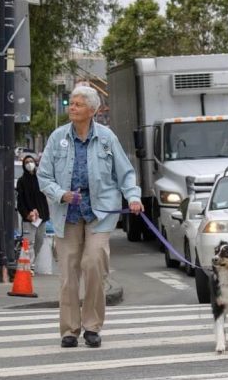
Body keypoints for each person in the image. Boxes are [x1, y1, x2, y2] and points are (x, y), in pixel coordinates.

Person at [38, 85, 142, 349]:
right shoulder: (57, 138)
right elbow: (43, 175)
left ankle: (92, 326)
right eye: (71, 103)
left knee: (94, 262)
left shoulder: (107, 138)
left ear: (92, 110)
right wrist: (61, 194)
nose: (72, 107)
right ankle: (69, 331)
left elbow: (126, 173)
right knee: (68, 272)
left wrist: (133, 197)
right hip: (67, 214)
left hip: (100, 213)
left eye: (78, 104)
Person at [16, 154, 50, 270]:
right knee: (28, 242)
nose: (29, 164)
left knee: (39, 241)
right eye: (26, 162)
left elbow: (45, 196)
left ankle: (32, 261)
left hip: (42, 216)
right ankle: (27, 266)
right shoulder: (21, 181)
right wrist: (27, 214)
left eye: (31, 161)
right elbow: (20, 201)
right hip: (29, 217)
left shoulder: (40, 179)